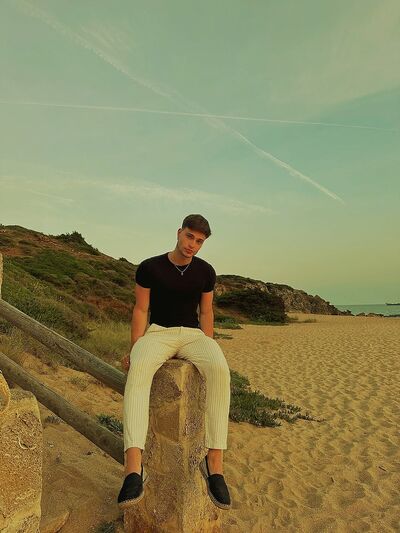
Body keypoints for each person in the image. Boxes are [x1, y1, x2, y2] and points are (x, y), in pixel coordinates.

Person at [117, 214, 232, 511]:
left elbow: (206, 313)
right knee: (139, 371)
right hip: (159, 333)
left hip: (193, 335)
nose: (193, 244)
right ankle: (133, 468)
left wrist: (208, 344)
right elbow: (141, 309)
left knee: (220, 370)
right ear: (180, 232)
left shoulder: (206, 272)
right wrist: (135, 348)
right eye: (190, 236)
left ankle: (214, 464)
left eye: (199, 241)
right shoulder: (150, 267)